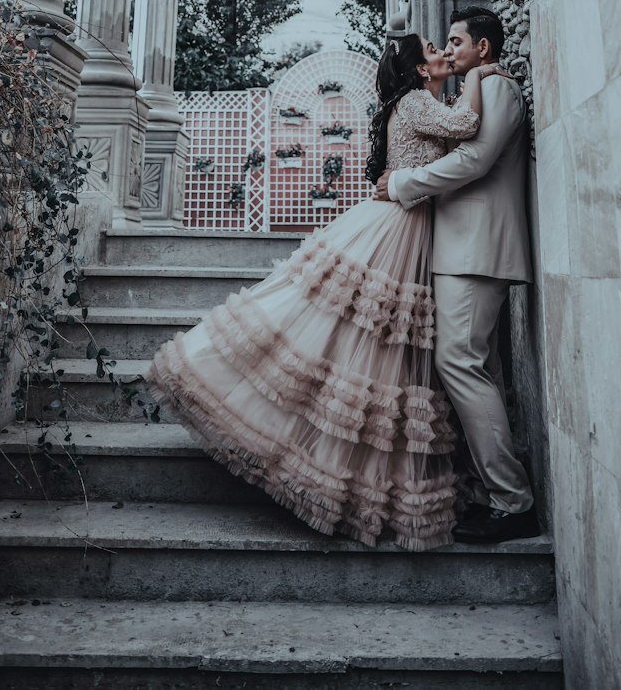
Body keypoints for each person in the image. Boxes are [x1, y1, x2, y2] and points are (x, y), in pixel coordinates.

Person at [148, 35, 502, 550]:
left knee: (384, 347)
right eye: (432, 49)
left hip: (410, 224)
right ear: (421, 71)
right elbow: (468, 128)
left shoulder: (422, 100)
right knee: (361, 335)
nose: (442, 51)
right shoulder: (418, 101)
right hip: (397, 229)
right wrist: (479, 75)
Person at [376, 7, 540, 544]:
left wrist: (402, 182)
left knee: (458, 362)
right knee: (476, 368)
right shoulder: (470, 91)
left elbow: (473, 161)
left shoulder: (497, 90)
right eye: (441, 44)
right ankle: (493, 493)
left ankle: (512, 502)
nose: (447, 50)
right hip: (460, 249)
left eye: (455, 41)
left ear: (483, 50)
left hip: (477, 249)